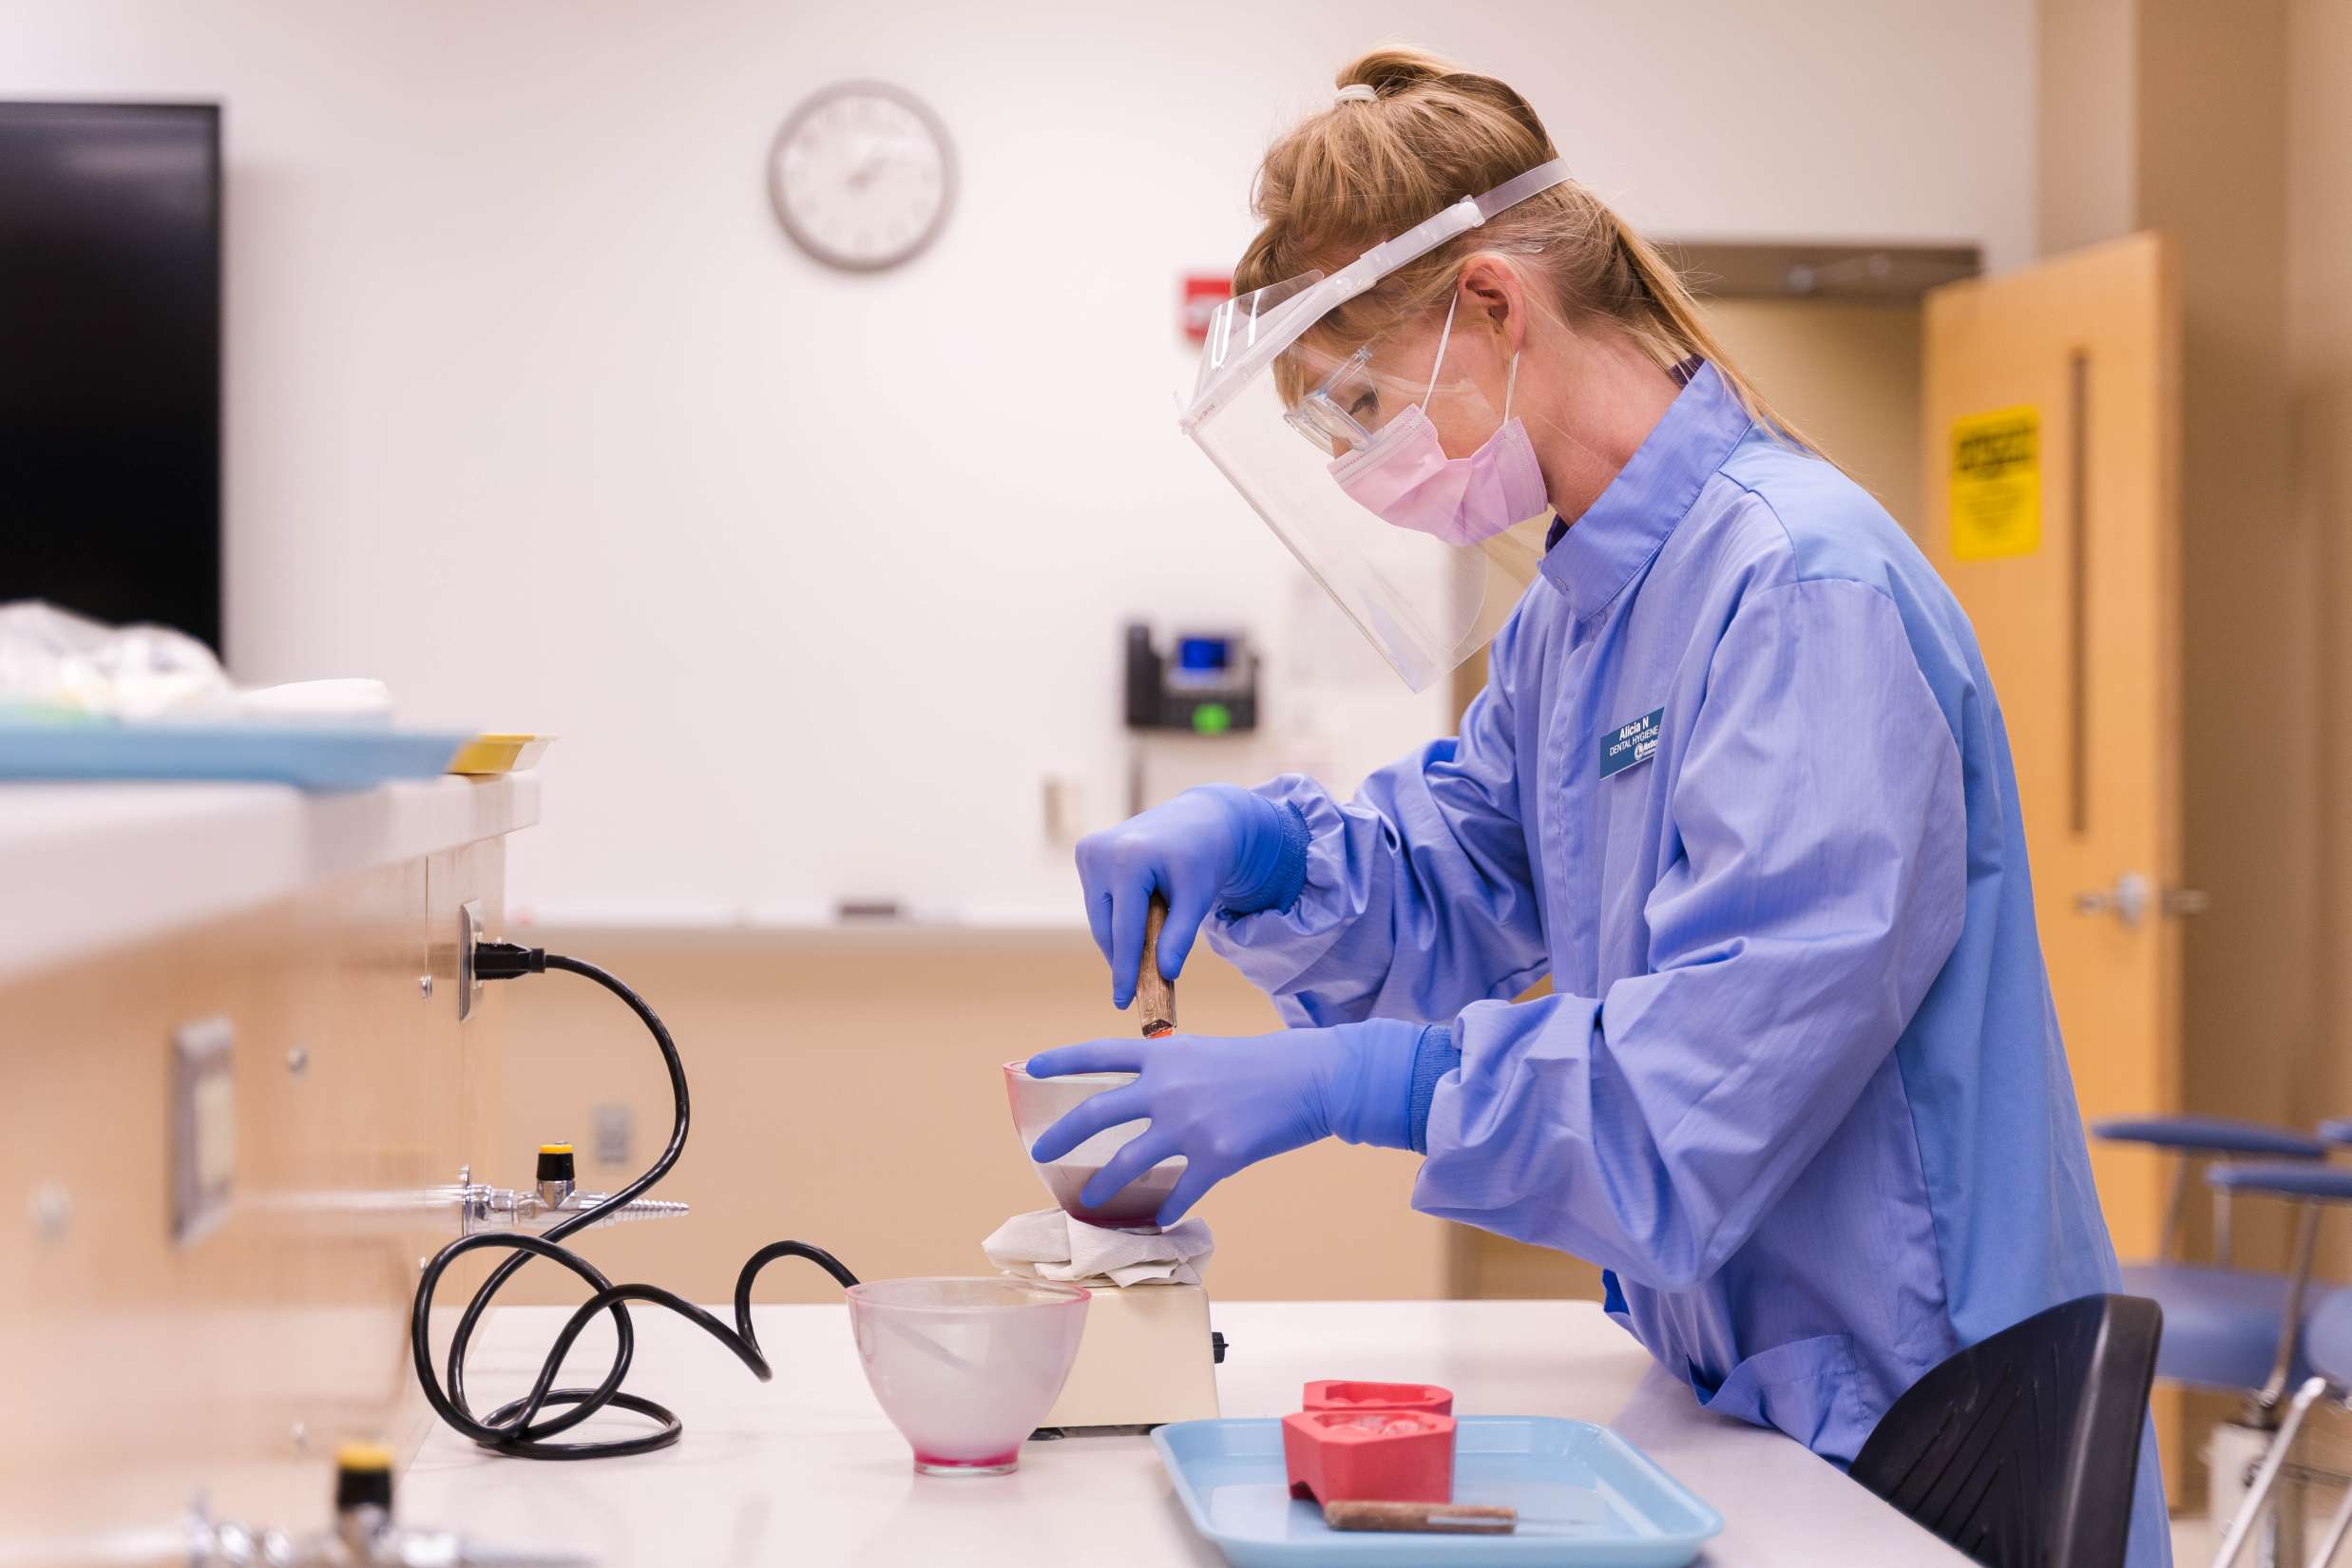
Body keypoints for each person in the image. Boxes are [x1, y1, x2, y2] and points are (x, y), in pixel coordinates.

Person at [1026, 45, 2167, 1564]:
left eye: (1363, 398)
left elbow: (1694, 1099)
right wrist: (1261, 850)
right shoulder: (1583, 612)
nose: (1366, 466)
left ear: (1495, 304)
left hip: (1924, 1410)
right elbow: (1452, 877)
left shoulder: (1796, 588)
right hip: (1760, 1390)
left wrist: (1352, 1081)